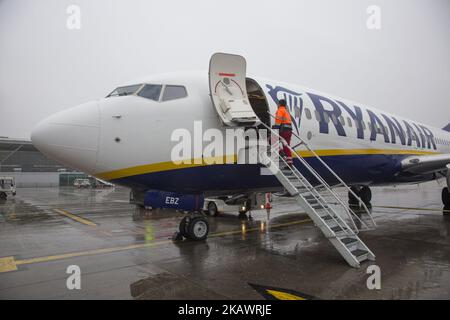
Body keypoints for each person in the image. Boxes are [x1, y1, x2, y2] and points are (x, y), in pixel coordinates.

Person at [274, 99, 293, 165]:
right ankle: (289, 163)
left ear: (279, 104)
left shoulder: (280, 110)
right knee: (286, 146)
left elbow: (278, 121)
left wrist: (274, 128)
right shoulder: (286, 112)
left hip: (283, 131)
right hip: (289, 131)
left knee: (271, 141)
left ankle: (281, 152)